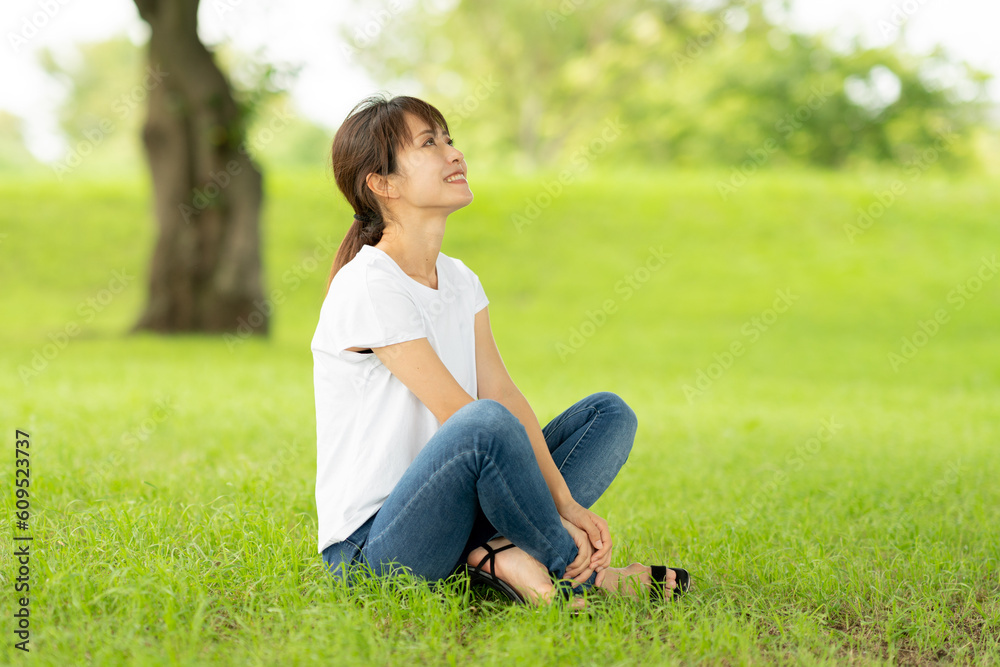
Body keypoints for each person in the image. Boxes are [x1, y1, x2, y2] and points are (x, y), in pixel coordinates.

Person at [311, 94, 687, 609]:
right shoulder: (369, 284)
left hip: (456, 514)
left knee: (607, 414)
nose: (453, 153)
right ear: (383, 184)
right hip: (374, 550)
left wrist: (566, 502)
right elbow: (464, 417)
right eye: (429, 143)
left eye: (449, 138)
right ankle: (577, 574)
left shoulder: (460, 279)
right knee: (482, 423)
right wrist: (559, 529)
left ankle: (495, 550)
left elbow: (504, 394)